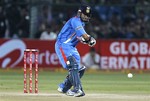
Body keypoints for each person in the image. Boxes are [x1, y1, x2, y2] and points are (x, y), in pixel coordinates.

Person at [55, 4, 96, 97]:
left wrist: (88, 40)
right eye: (85, 14)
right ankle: (77, 90)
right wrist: (90, 39)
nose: (86, 16)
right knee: (73, 65)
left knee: (80, 69)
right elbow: (85, 36)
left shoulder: (82, 24)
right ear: (79, 13)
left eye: (88, 15)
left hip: (72, 47)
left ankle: (64, 87)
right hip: (63, 45)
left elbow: (81, 38)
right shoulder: (75, 21)